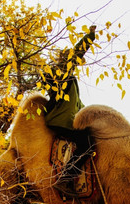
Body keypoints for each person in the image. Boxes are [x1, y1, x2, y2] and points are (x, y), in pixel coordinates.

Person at [44, 25, 97, 194]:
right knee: (88, 144)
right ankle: (65, 180)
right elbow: (77, 53)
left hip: (66, 118)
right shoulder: (62, 74)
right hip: (62, 121)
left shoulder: (67, 80)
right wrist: (90, 37)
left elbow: (78, 106)